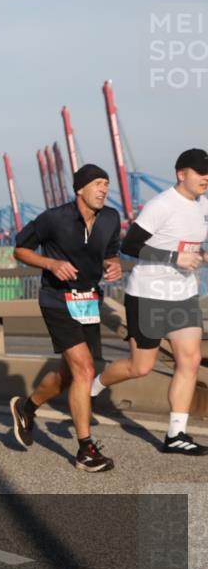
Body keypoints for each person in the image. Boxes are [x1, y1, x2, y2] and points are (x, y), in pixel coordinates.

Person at [91, 148, 208, 455]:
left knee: (190, 359)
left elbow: (194, 246)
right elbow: (130, 244)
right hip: (149, 295)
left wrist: (201, 256)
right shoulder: (162, 205)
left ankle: (176, 434)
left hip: (183, 295)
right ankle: (95, 383)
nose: (206, 178)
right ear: (181, 174)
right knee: (141, 367)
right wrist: (174, 257)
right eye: (200, 172)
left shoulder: (204, 205)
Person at [9, 165, 122, 472]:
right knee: (85, 369)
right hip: (57, 300)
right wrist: (50, 263)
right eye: (98, 184)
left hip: (88, 302)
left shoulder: (111, 218)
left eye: (106, 185)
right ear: (80, 189)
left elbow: (111, 253)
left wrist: (114, 266)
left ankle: (26, 408)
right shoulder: (54, 218)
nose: (103, 190)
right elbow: (20, 248)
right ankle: (85, 450)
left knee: (71, 374)